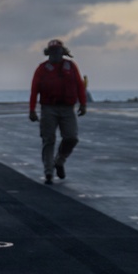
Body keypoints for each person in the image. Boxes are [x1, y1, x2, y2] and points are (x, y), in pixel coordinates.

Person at [29, 39, 87, 184]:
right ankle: (48, 172)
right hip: (49, 108)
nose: (56, 53)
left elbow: (80, 85)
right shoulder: (42, 68)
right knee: (48, 140)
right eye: (53, 50)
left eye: (58, 50)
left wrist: (83, 104)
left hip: (68, 109)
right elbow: (34, 90)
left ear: (63, 51)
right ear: (49, 52)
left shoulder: (71, 66)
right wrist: (32, 110)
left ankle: (59, 161)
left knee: (72, 138)